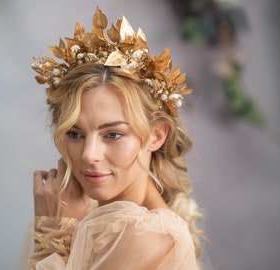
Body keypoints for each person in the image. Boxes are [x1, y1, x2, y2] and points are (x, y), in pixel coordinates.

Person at [29, 7, 203, 270]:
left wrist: (52, 235)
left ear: (156, 135)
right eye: (75, 134)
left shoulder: (149, 234)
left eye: (112, 134)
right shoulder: (78, 213)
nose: (88, 154)